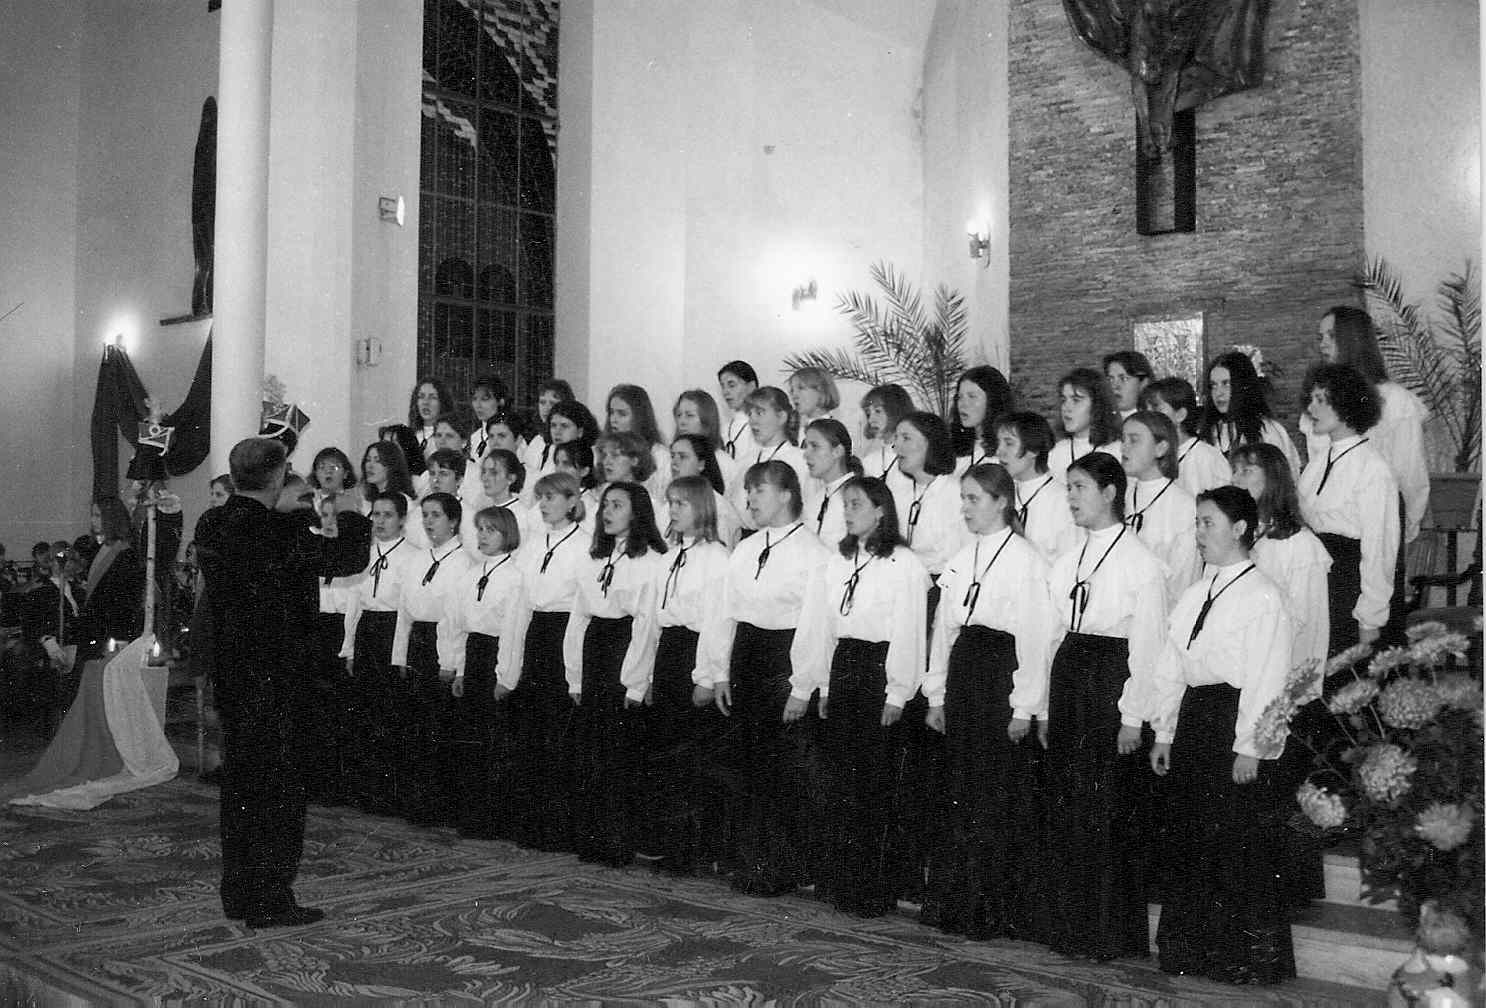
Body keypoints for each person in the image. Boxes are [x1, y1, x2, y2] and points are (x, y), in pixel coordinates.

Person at [195, 436, 369, 927]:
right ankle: (270, 898)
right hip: (281, 678)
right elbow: (348, 558)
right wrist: (347, 510)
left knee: (241, 785)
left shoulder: (212, 523)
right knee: (281, 790)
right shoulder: (278, 531)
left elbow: (267, 537)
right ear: (277, 475)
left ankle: (239, 892)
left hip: (235, 675)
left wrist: (291, 511)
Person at [1150, 487, 1296, 985]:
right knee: (1191, 836)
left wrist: (1252, 746)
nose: (1198, 532)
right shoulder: (1197, 593)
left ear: (1239, 529)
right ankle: (1188, 949)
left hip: (1232, 723)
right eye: (1196, 523)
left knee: (1231, 841)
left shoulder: (1263, 596)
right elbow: (1173, 663)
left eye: (1207, 523)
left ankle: (1235, 956)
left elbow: (1268, 676)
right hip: (1196, 718)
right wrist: (1165, 730)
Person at [1040, 452, 1168, 961]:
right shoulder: (1070, 556)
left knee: (1106, 807)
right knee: (1069, 800)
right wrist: (1045, 704)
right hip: (1071, 673)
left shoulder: (1141, 562)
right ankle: (1068, 926)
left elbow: (1148, 646)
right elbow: (1053, 629)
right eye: (1068, 488)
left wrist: (1133, 716)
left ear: (1110, 492)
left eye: (1080, 487)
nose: (1071, 497)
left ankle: (1107, 933)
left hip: (1110, 680)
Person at [921, 464, 1055, 939]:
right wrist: (936, 693)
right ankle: (955, 903)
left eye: (974, 498)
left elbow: (1036, 636)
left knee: (994, 793)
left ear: (1001, 502)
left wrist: (1024, 706)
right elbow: (944, 630)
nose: (965, 508)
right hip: (966, 670)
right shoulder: (963, 557)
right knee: (960, 788)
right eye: (963, 498)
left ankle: (990, 909)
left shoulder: (1027, 560)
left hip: (1001, 674)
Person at [797, 476, 928, 916]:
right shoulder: (838, 561)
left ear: (880, 510)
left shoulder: (904, 564)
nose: (848, 512)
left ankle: (873, 887)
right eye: (845, 505)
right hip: (845, 664)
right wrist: (824, 684)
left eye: (856, 504)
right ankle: (841, 880)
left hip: (880, 669)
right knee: (841, 779)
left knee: (875, 782)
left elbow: (909, 630)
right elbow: (824, 626)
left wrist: (898, 692)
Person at [700, 460, 830, 896]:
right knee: (747, 762)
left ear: (787, 495)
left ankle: (782, 865)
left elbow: (814, 624)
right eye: (749, 491)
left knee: (783, 768)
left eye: (760, 490)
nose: (751, 499)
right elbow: (725, 611)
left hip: (783, 660)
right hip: (748, 654)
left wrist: (802, 685)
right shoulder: (746, 548)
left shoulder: (813, 552)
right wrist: (720, 671)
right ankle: (750, 859)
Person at [563, 482, 668, 866]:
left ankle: (617, 841)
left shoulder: (652, 561)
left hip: (624, 650)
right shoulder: (595, 558)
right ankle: (590, 838)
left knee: (620, 752)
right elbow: (579, 616)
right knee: (591, 749)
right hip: (596, 647)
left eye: (617, 505)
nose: (607, 512)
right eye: (605, 505)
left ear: (637, 513)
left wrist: (635, 682)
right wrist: (575, 675)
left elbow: (646, 625)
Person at [498, 472, 592, 851]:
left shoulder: (584, 545)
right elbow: (520, 604)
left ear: (572, 501)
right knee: (532, 732)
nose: (544, 504)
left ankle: (560, 828)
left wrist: (575, 669)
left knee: (561, 733)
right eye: (541, 497)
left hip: (565, 635)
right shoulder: (534, 545)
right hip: (536, 632)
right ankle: (531, 822)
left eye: (552, 497)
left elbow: (581, 608)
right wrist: (511, 664)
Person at [647, 476, 731, 875]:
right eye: (671, 503)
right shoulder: (669, 556)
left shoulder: (716, 558)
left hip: (695, 652)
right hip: (670, 649)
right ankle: (672, 844)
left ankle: (695, 848)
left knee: (692, 755)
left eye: (682, 503)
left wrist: (707, 676)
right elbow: (656, 618)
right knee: (667, 750)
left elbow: (717, 620)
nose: (674, 510)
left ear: (702, 507)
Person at [1297, 364, 1400, 665]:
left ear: (1345, 404)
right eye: (1311, 399)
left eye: (1320, 400)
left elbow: (1380, 549)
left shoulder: (1373, 469)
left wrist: (1370, 617)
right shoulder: (1317, 463)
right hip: (1317, 587)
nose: (1311, 408)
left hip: (1349, 590)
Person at [1309, 306, 1430, 543]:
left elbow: (1410, 471)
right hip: (1327, 524)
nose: (1323, 344)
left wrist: (1408, 526)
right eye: (1320, 337)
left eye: (1332, 336)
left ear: (1355, 339)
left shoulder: (1395, 400)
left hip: (1379, 519)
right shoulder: (1319, 401)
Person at [439, 504, 524, 839]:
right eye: (481, 529)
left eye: (492, 530)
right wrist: (460, 669)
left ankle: (493, 819)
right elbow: (460, 625)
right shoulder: (471, 574)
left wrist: (505, 677)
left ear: (508, 534)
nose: (484, 536)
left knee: (494, 740)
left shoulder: (514, 577)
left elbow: (513, 630)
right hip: (474, 655)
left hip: (496, 657)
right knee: (470, 740)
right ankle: (470, 815)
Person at [390, 492, 473, 827]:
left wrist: (451, 662)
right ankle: (416, 802)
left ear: (453, 521)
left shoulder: (463, 561)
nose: (428, 521)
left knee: (440, 726)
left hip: (443, 645)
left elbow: (458, 618)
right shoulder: (418, 559)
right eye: (424, 514)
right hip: (418, 642)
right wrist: (399, 654)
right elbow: (404, 610)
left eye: (436, 515)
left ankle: (440, 805)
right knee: (416, 725)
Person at [338, 490, 415, 816]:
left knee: (390, 711)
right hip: (367, 630)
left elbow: (406, 609)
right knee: (364, 711)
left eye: (388, 515)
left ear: (402, 519)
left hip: (392, 630)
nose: (380, 521)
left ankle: (388, 792)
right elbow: (354, 601)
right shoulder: (364, 552)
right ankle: (364, 788)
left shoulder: (411, 556)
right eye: (376, 515)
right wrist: (350, 647)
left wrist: (400, 653)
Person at [1121, 411, 1199, 599]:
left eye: (1134, 440)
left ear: (1160, 448)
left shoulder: (1184, 507)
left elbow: (1183, 582)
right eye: (1123, 440)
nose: (1124, 448)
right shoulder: (1120, 495)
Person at [1199, 351, 1300, 475]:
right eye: (1213, 385)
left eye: (1226, 384)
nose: (1219, 393)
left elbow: (1285, 478)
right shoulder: (1209, 433)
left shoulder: (1268, 431)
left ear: (1243, 386)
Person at [994, 411, 1075, 561]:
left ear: (1034, 450)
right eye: (998, 443)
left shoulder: (1062, 501)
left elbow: (1069, 564)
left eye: (1009, 443)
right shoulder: (1000, 493)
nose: (999, 451)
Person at [731, 387, 809, 530]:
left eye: (759, 413)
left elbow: (807, 512)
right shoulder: (744, 462)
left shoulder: (801, 461)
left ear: (781, 417)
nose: (752, 420)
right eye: (750, 414)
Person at [1140, 377, 1232, 496]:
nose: (1147, 416)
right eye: (1144, 409)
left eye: (1156, 408)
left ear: (1180, 415)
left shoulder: (1205, 457)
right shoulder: (1147, 456)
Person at [1048, 367, 1122, 481]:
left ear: (1098, 405)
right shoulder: (1056, 453)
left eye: (1076, 400)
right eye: (1063, 400)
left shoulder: (1118, 451)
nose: (1066, 408)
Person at [669, 433, 741, 546]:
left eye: (683, 457)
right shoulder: (668, 503)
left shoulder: (718, 507)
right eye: (672, 456)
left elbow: (720, 549)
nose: (674, 463)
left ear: (701, 464)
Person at [801, 419, 862, 548]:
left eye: (814, 446)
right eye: (806, 447)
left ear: (837, 451)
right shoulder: (815, 499)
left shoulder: (860, 496)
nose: (806, 454)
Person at [605, 384, 670, 500]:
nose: (613, 420)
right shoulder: (602, 451)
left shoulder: (660, 456)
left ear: (639, 417)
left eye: (622, 414)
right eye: (611, 412)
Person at [360, 440, 424, 549]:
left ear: (392, 466)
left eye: (377, 461)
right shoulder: (367, 502)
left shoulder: (405, 502)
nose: (370, 466)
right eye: (368, 460)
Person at [950, 365, 1014, 470]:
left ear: (993, 400)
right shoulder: (954, 447)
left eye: (972, 396)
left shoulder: (1009, 448)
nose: (963, 404)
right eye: (959, 397)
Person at [523, 378, 573, 482]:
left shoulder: (567, 442)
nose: (546, 408)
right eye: (542, 402)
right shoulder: (537, 440)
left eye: (552, 403)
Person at [859, 383, 914, 478]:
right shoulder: (868, 462)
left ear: (896, 412)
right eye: (868, 413)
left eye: (878, 411)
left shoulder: (917, 459)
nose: (871, 419)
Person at [717, 360, 760, 461]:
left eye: (731, 385)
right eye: (722, 386)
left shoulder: (761, 426)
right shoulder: (724, 429)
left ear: (751, 387)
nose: (725, 392)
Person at [787, 366, 840, 447]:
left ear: (821, 391)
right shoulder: (798, 430)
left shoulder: (833, 432)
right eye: (792, 390)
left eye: (801, 388)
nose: (794, 395)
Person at [407, 378, 456, 460]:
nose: (425, 402)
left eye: (433, 397)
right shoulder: (409, 434)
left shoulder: (450, 435)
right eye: (421, 397)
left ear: (443, 402)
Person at [1103, 350, 1154, 421]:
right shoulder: (1100, 420)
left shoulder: (1154, 420)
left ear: (1143, 383)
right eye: (1110, 379)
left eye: (1124, 379)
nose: (1114, 386)